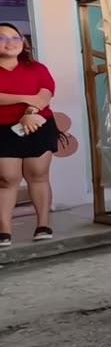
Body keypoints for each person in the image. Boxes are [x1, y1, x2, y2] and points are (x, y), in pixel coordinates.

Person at [0, 23, 60, 247]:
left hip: (38, 125)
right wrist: (25, 98)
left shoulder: (37, 68)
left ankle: (43, 224)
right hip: (3, 129)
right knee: (6, 179)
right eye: (2, 38)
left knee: (38, 175)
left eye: (15, 37)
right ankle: (4, 230)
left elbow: (45, 95)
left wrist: (29, 113)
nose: (10, 42)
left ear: (23, 41)